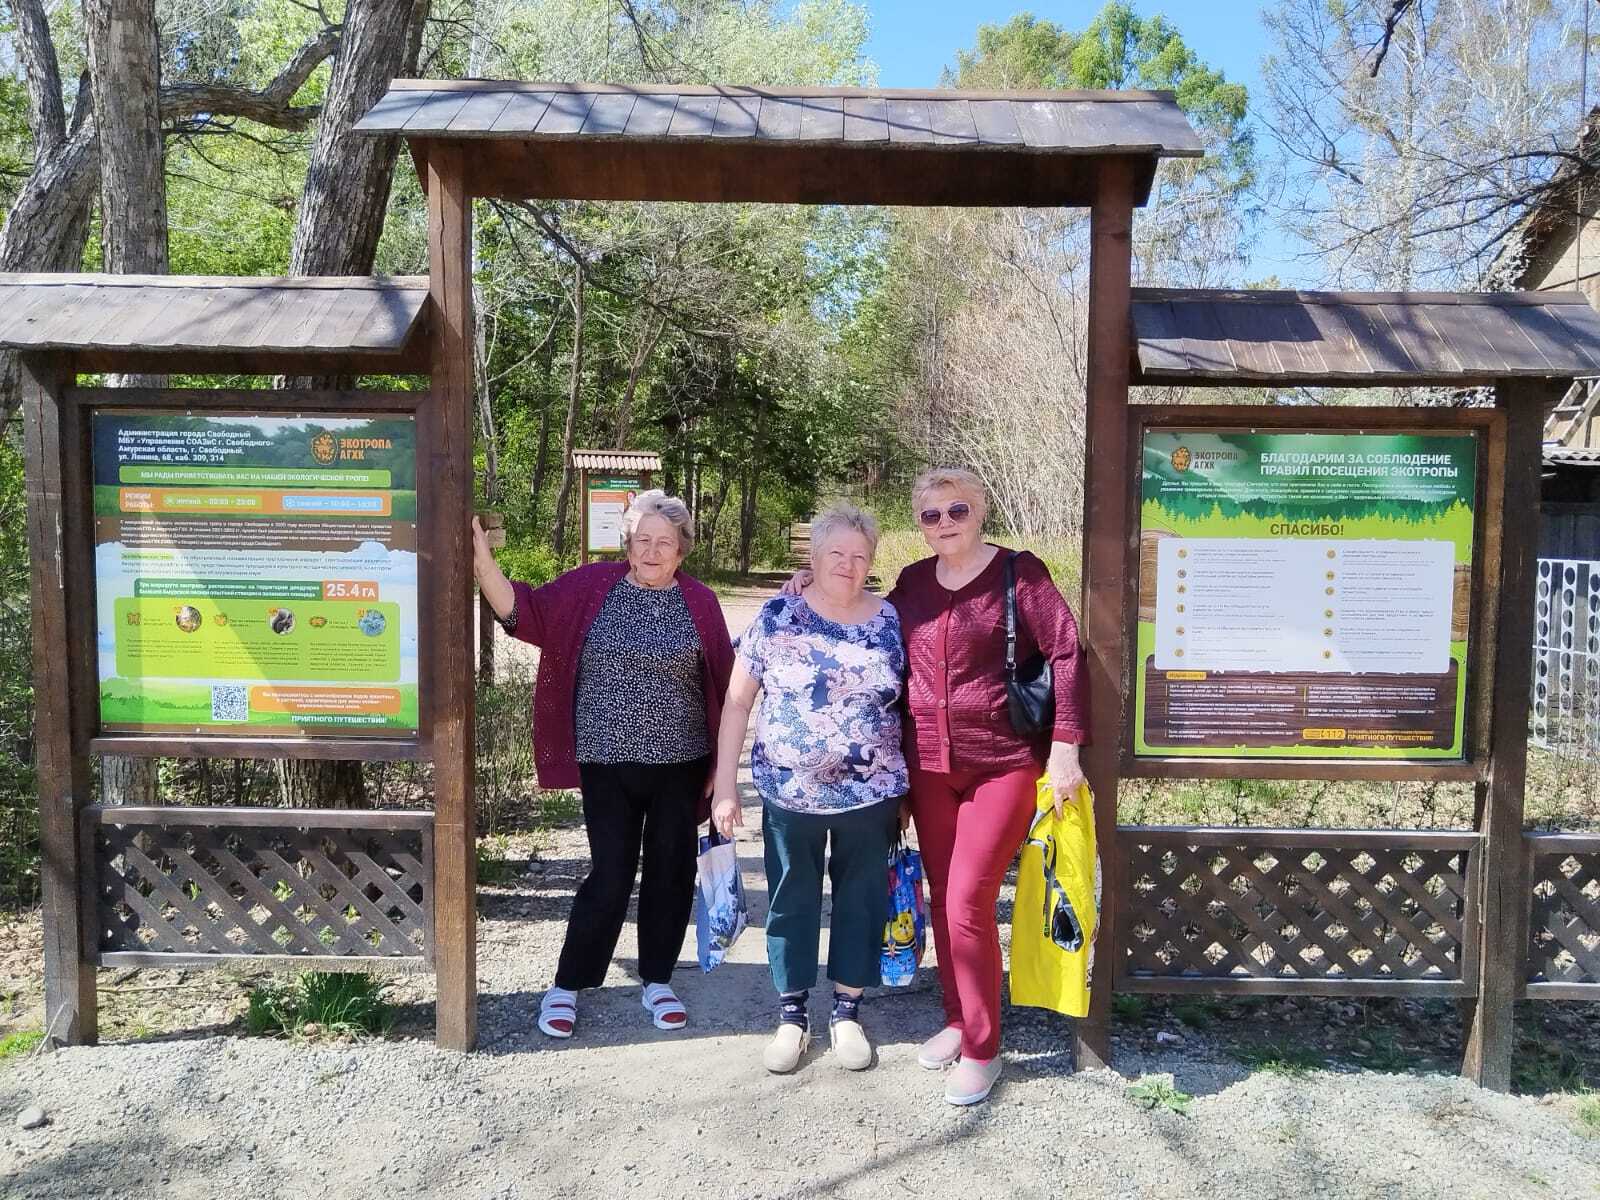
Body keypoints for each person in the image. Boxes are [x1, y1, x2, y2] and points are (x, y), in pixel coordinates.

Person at [785, 469, 1088, 1105]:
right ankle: (957, 1017)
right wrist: (806, 584)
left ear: (979, 512)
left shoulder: (1020, 573)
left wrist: (1065, 747)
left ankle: (984, 1048)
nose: (945, 523)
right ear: (919, 523)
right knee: (946, 895)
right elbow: (866, 627)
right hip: (926, 766)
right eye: (931, 514)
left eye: (957, 510)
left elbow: (1066, 652)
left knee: (966, 903)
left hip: (1002, 762)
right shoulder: (914, 584)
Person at [473, 490, 734, 1038]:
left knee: (670, 871)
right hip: (606, 759)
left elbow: (727, 680)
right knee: (611, 873)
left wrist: (721, 765)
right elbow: (525, 613)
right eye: (643, 540)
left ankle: (657, 980)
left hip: (680, 762)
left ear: (682, 548)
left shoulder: (701, 601)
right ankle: (567, 984)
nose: (654, 550)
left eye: (665, 542)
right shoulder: (593, 586)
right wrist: (481, 561)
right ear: (628, 544)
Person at [712, 504, 907, 1075]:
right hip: (787, 794)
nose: (847, 565)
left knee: (860, 900)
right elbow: (737, 702)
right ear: (814, 559)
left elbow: (916, 706)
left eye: (859, 556)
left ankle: (847, 1011)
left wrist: (912, 792)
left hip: (872, 796)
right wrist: (726, 787)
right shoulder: (777, 617)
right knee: (790, 899)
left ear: (871, 562)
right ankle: (791, 1015)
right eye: (835, 554)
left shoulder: (892, 620)